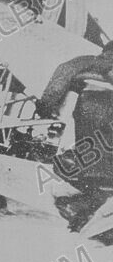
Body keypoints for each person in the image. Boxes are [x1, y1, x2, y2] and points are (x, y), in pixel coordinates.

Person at [37, 41, 113, 230]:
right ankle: (92, 212)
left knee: (94, 165)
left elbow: (63, 74)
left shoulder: (89, 60)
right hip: (103, 108)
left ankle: (78, 211)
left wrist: (46, 106)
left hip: (93, 106)